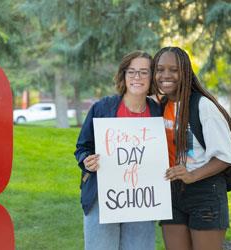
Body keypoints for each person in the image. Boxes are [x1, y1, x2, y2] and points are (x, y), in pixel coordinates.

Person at [74, 50, 161, 250]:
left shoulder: (157, 111)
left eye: (144, 72)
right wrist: (87, 160)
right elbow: (83, 147)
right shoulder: (102, 108)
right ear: (123, 75)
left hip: (142, 199)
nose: (137, 77)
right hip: (104, 197)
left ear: (152, 77)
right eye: (131, 72)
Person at [153, 46, 231, 250]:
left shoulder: (202, 106)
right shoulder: (159, 107)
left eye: (174, 69)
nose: (166, 75)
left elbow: (226, 157)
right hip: (171, 192)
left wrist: (192, 175)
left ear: (186, 72)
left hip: (204, 191)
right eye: (160, 69)